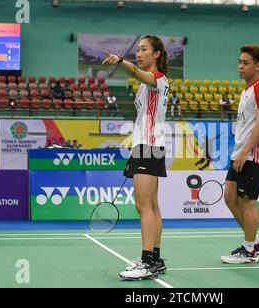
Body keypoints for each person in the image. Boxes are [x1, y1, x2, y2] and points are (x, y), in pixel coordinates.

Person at [102, 35, 169, 281]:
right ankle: (156, 259)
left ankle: (147, 261)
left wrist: (122, 61)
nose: (139, 54)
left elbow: (141, 75)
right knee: (151, 206)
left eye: (144, 50)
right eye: (137, 50)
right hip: (146, 146)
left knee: (143, 206)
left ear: (157, 54)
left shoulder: (157, 79)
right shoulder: (146, 85)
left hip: (149, 148)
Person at [221, 45, 259, 264]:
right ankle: (255, 242)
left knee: (248, 202)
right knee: (230, 197)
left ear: (258, 66)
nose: (240, 66)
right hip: (240, 155)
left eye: (246, 63)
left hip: (254, 157)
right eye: (239, 62)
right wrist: (238, 153)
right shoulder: (245, 91)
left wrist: (245, 152)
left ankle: (250, 251)